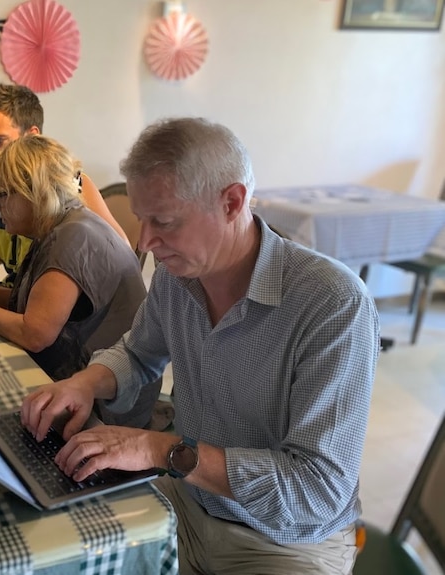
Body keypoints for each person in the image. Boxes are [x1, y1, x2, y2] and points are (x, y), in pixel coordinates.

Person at [20, 118, 380, 574]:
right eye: (141, 219)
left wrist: (161, 451)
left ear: (232, 202)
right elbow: (138, 352)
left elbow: (316, 490)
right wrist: (84, 383)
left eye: (164, 221)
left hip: (284, 543)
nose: (145, 242)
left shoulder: (331, 304)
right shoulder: (178, 273)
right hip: (188, 507)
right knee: (51, 542)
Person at [0, 135, 155, 428]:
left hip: (105, 411)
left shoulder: (73, 237)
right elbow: (34, 304)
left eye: (0, 195)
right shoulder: (63, 225)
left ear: (30, 191)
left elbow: (36, 332)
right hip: (87, 386)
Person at [0, 84, 129, 291]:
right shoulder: (1, 188)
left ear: (32, 135)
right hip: (15, 295)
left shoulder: (69, 185)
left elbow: (119, 251)